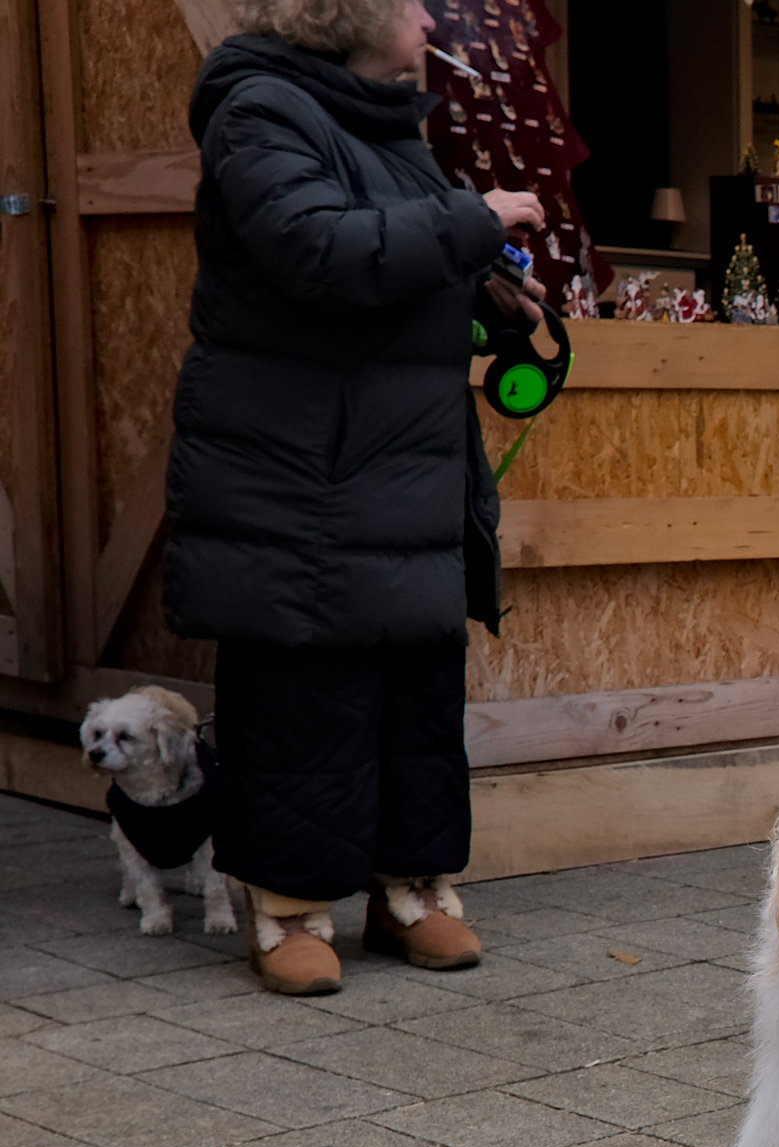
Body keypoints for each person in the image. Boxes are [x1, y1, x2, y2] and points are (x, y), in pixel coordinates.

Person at [166, 0, 545, 996]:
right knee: (306, 683)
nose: (428, 16)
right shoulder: (260, 111)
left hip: (404, 461)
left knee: (416, 683)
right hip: (303, 466)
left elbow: (392, 255)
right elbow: (320, 251)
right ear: (350, 11)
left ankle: (410, 888)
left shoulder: (386, 124)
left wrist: (482, 289)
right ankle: (286, 903)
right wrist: (475, 218)